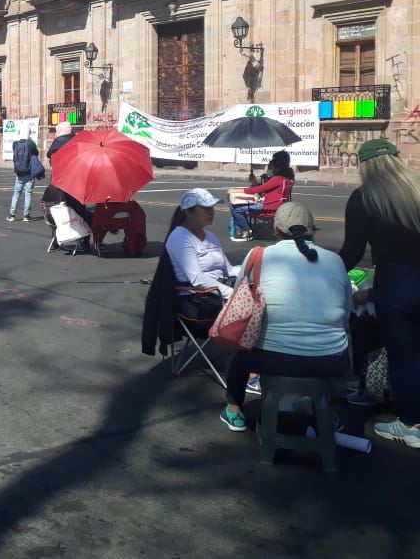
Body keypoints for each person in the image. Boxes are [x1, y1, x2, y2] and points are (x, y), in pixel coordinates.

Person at [221, 203, 352, 432]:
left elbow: (239, 300)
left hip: (271, 358)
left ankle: (234, 408)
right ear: (312, 230)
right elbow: (346, 313)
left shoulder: (259, 255)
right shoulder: (335, 261)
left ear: (275, 230)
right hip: (330, 361)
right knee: (336, 342)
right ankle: (328, 412)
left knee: (241, 355)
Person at [338, 139, 420, 449]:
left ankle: (413, 423)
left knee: (405, 354)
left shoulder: (364, 198)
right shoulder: (416, 188)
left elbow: (351, 252)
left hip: (397, 284)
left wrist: (324, 270)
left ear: (365, 166)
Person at [165, 189, 234, 301]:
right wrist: (234, 295)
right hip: (198, 299)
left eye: (212, 207)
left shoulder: (211, 236)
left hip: (220, 292)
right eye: (206, 208)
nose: (211, 212)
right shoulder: (180, 237)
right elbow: (197, 279)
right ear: (188, 212)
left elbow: (229, 270)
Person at [228, 150, 295, 241]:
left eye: (271, 166)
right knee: (240, 204)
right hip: (276, 206)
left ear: (278, 167)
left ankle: (246, 231)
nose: (269, 168)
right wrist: (254, 182)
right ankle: (245, 228)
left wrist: (236, 190)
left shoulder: (277, 179)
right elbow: (264, 189)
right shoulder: (287, 177)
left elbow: (258, 190)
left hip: (268, 208)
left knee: (236, 208)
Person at [8, 126, 40, 222]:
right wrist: (31, 141)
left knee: (16, 194)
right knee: (28, 194)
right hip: (29, 173)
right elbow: (36, 153)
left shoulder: (15, 144)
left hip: (19, 173)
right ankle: (26, 215)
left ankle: (12, 215)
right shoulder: (31, 144)